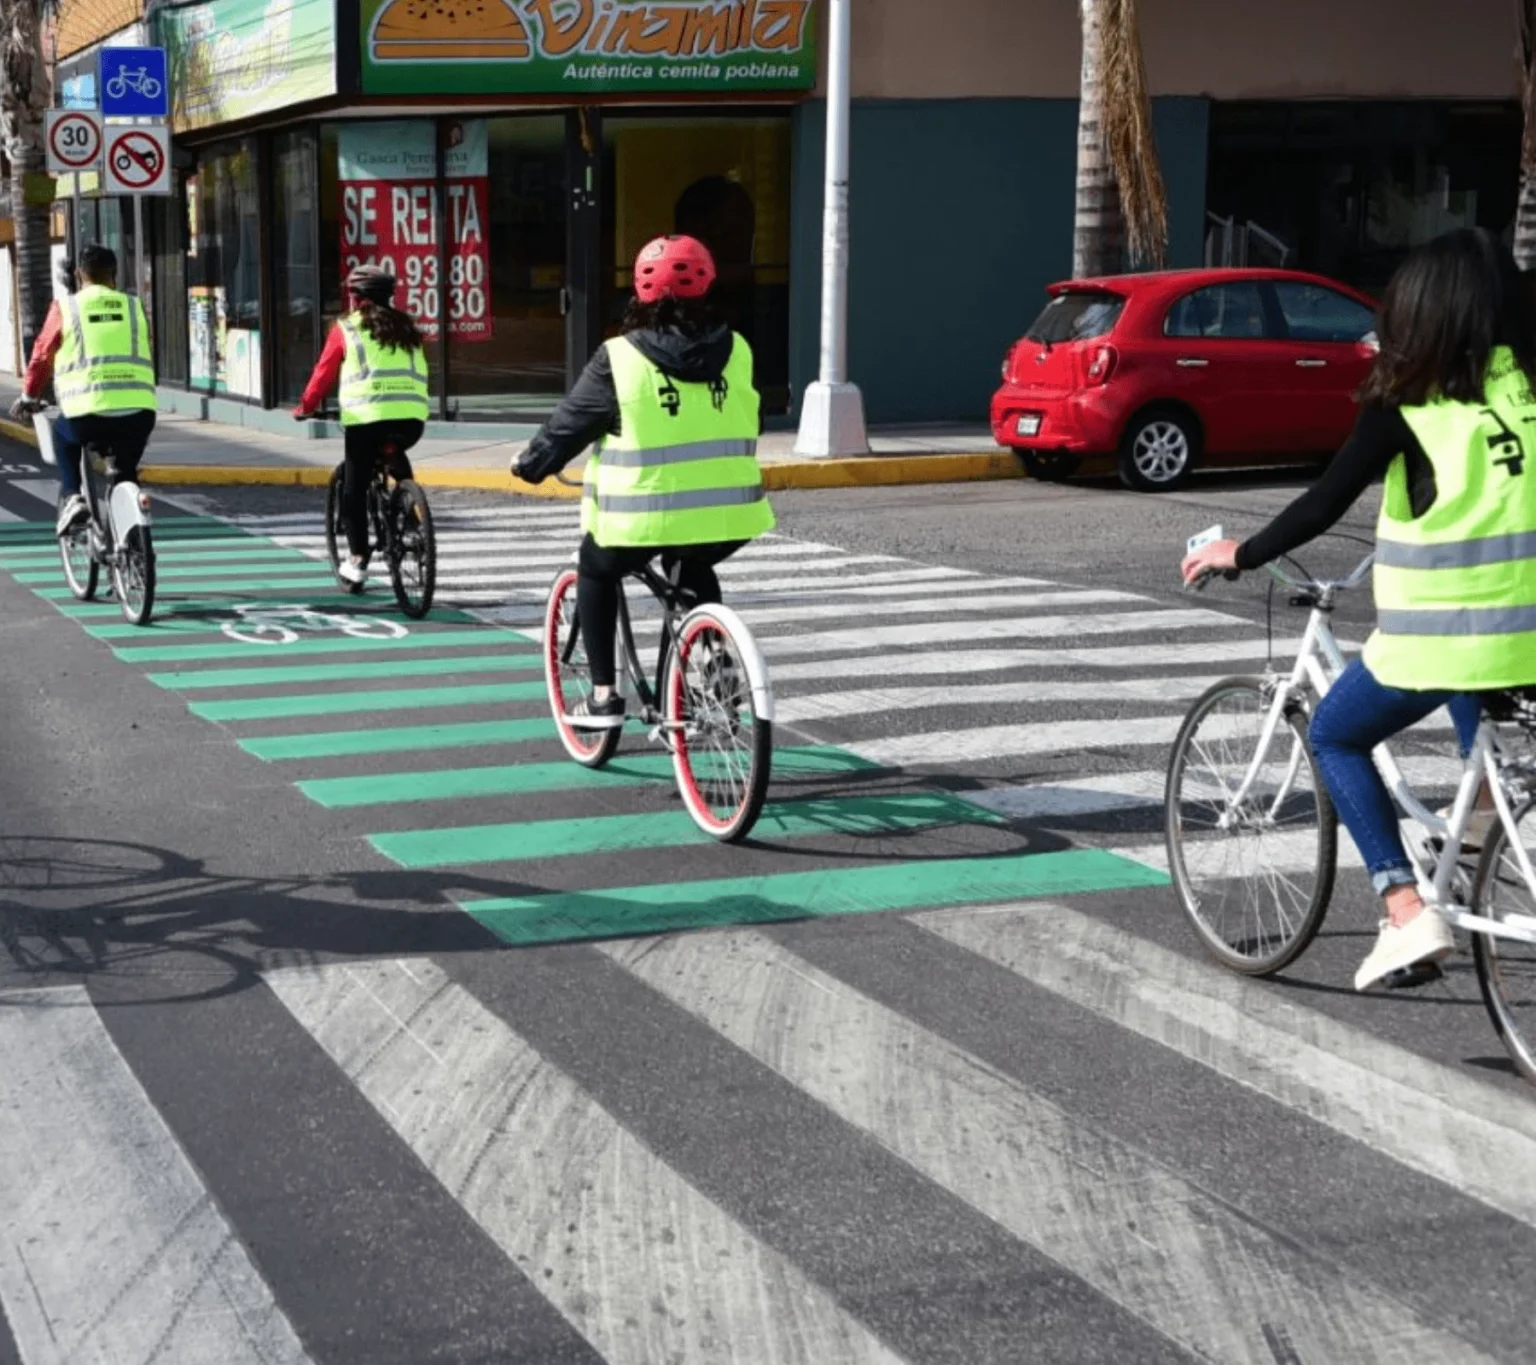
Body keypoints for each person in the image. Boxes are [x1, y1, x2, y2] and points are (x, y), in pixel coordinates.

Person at [1181, 227, 1536, 992]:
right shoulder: (1529, 387)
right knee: (1480, 689)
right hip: (1528, 637)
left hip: (1448, 636)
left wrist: (1238, 552)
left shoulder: (1411, 403)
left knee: (1338, 734)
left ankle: (1405, 909)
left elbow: (1322, 503)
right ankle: (1484, 817)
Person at [511, 234, 774, 727]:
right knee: (693, 559)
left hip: (638, 520)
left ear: (640, 290)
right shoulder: (737, 349)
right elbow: (751, 421)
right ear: (708, 285)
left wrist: (530, 465)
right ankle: (715, 666)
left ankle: (605, 697)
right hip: (732, 515)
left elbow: (567, 428)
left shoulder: (619, 357)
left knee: (596, 567)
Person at [294, 265, 429, 585]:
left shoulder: (347, 328)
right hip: (411, 419)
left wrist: (305, 408)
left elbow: (323, 373)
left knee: (353, 490)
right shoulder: (408, 326)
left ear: (357, 299)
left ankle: (357, 558)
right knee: (396, 456)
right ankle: (410, 517)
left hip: (366, 420)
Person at [8, 245, 156, 535]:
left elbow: (41, 355)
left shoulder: (67, 307)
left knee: (63, 438)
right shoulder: (134, 305)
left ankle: (74, 495)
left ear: (78, 275)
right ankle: (134, 545)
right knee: (126, 472)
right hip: (139, 413)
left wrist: (29, 395)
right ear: (114, 274)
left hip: (85, 414)